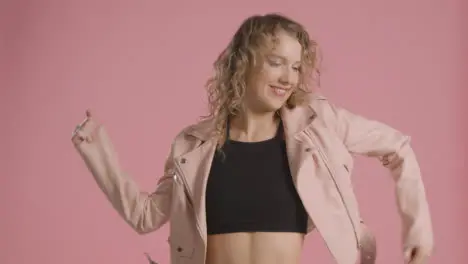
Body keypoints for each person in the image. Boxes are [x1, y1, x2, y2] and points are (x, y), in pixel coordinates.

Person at [71, 13, 433, 264]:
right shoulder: (194, 147)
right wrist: (95, 148)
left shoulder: (317, 125)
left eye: (295, 66)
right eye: (277, 61)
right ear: (243, 63)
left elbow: (397, 147)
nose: (289, 77)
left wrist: (418, 230)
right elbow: (145, 216)